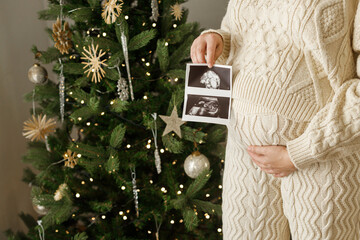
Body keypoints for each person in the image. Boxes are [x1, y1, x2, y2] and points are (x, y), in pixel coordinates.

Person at [191, 0, 360, 239]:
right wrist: (218, 40)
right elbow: (239, 30)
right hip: (245, 151)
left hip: (321, 156)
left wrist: (300, 152)